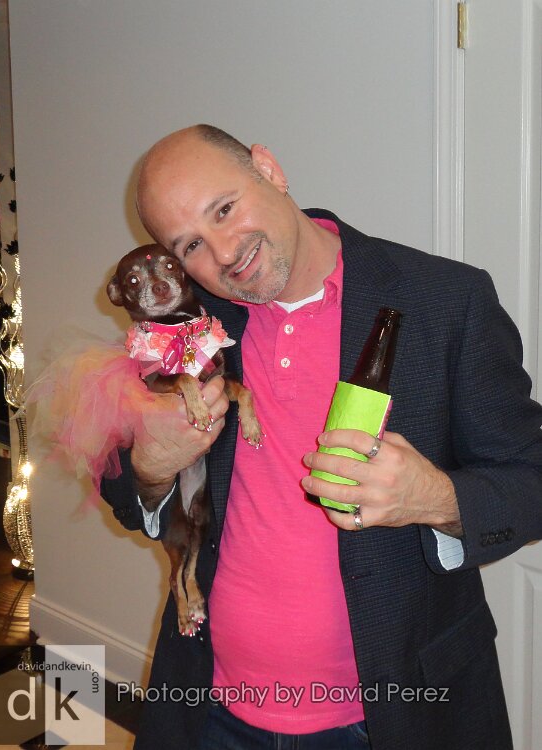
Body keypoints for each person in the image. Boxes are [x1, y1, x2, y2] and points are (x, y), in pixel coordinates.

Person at [101, 124, 542, 750]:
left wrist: (435, 498)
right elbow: (122, 488)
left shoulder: (446, 300)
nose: (223, 253)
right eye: (190, 244)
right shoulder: (187, 326)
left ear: (269, 169)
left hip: (392, 715)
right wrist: (149, 467)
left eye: (224, 209)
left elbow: (530, 481)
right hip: (210, 709)